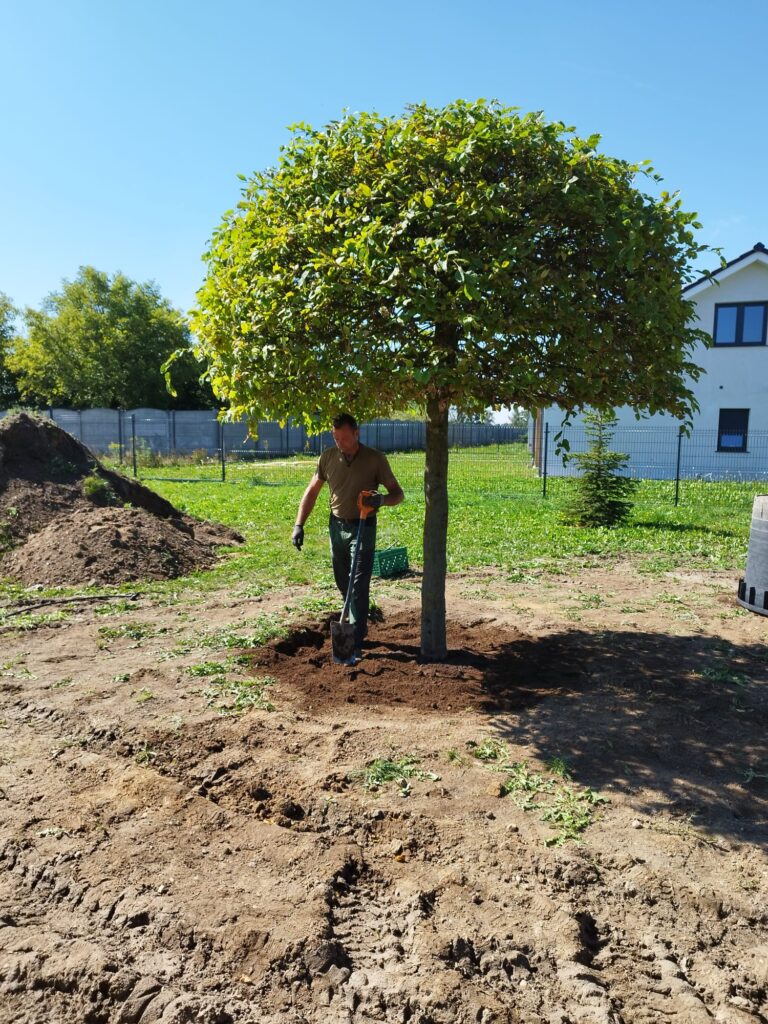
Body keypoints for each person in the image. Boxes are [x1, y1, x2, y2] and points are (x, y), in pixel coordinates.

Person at [292, 413, 404, 660]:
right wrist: (299, 524)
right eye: (336, 438)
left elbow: (398, 494)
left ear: (356, 433)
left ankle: (356, 639)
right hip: (337, 526)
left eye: (344, 437)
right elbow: (312, 491)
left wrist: (382, 500)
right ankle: (353, 621)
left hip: (364, 525)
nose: (340, 442)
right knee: (344, 581)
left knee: (358, 583)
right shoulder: (328, 457)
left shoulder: (375, 459)